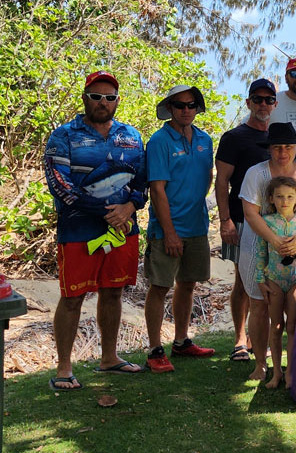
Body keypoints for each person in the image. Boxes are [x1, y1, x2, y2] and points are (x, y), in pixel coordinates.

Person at [43, 71, 147, 389]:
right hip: (77, 232)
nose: (104, 102)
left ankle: (110, 358)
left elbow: (143, 179)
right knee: (72, 297)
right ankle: (63, 369)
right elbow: (60, 185)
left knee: (113, 292)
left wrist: (129, 208)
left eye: (110, 97)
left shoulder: (131, 136)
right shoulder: (64, 135)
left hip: (122, 231)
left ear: (118, 101)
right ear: (85, 97)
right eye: (97, 96)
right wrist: (106, 213)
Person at [239, 122, 296, 382]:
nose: (283, 152)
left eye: (288, 146)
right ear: (270, 149)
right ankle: (261, 364)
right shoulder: (256, 174)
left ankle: (294, 367)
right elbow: (250, 212)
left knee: (295, 314)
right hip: (259, 245)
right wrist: (274, 240)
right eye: (277, 147)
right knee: (258, 305)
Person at [144, 84, 215, 373]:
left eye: (191, 105)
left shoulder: (205, 139)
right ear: (170, 108)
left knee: (187, 284)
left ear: (197, 108)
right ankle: (154, 350)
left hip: (197, 225)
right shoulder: (160, 141)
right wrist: (170, 231)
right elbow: (157, 190)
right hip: (167, 229)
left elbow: (207, 178)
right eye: (180, 105)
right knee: (159, 287)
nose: (186, 110)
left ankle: (182, 341)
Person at [214, 78, 277, 362]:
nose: (263, 104)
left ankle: (258, 337)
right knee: (243, 280)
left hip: (275, 223)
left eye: (268, 100)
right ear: (248, 102)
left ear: (275, 104)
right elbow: (222, 182)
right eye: (258, 99)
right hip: (240, 221)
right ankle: (240, 340)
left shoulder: (278, 139)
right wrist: (225, 220)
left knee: (270, 280)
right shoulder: (234, 137)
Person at [255, 176, 296, 390]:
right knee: (276, 326)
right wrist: (260, 279)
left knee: (292, 326)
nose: (285, 201)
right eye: (279, 196)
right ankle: (276, 372)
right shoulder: (267, 222)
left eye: (290, 196)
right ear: (271, 198)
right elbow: (261, 252)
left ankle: (291, 371)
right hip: (274, 279)